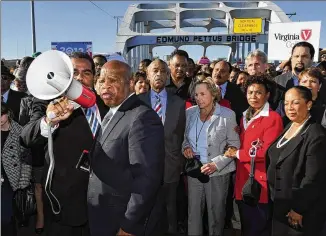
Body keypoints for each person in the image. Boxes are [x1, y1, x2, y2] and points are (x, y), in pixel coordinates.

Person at [20, 52, 108, 236]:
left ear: (94, 77)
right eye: (74, 72)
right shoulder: (48, 103)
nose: (80, 78)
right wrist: (49, 121)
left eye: (87, 73)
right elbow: (27, 136)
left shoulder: (105, 105)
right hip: (65, 202)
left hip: (102, 199)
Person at [87, 60, 165, 236]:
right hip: (104, 214)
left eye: (113, 80)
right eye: (101, 81)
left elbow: (147, 178)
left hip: (122, 221)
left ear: (131, 84)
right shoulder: (112, 112)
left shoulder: (142, 117)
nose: (105, 86)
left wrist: (129, 225)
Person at [224, 76, 283, 236]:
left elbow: (266, 151)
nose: (253, 96)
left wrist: (236, 153)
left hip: (259, 184)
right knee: (247, 227)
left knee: (258, 229)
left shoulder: (273, 118)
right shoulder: (244, 116)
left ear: (267, 95)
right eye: (250, 92)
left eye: (259, 93)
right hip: (242, 180)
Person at [182, 78, 240, 236]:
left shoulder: (227, 115)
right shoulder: (190, 112)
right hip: (195, 171)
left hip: (218, 174)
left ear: (213, 94)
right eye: (196, 94)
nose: (198, 98)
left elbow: (234, 146)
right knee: (193, 214)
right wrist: (186, 147)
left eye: (202, 94)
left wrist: (216, 164)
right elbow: (184, 138)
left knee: (216, 216)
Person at [266, 86, 326, 236]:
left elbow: (314, 178)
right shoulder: (290, 125)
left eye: (295, 103)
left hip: (299, 211)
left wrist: (298, 209)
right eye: (286, 103)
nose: (289, 107)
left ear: (309, 104)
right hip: (280, 203)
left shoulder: (316, 133)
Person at [138, 59, 186, 235]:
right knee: (145, 208)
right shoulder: (137, 102)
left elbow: (181, 135)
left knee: (170, 209)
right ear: (148, 75)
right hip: (143, 166)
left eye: (163, 71)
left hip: (170, 165)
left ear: (168, 76)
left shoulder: (179, 103)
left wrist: (179, 162)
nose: (158, 74)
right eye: (154, 71)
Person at [1, 102, 32, 236]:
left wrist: (23, 180)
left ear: (7, 114)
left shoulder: (19, 131)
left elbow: (26, 157)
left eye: (1, 115)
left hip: (11, 179)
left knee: (5, 217)